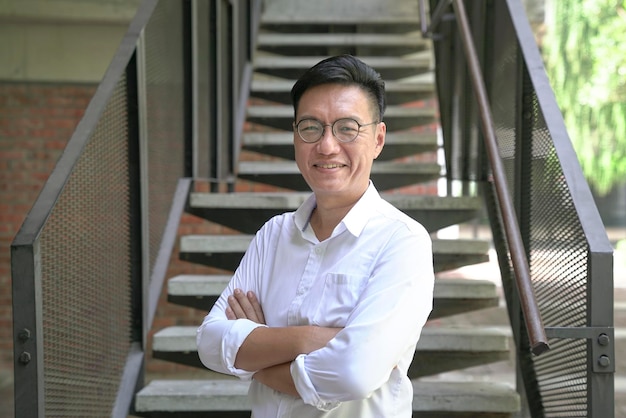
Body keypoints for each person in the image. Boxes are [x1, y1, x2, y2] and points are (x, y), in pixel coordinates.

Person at [196, 54, 435, 417]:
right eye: (311, 127)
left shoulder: (402, 242)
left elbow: (352, 373)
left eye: (347, 128)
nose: (326, 146)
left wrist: (256, 352)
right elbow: (210, 342)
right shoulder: (272, 237)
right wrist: (309, 339)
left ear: (378, 139)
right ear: (295, 136)